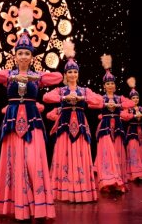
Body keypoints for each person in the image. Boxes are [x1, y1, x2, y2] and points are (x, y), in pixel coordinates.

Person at [0, 6, 62, 224]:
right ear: (14, 55)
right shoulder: (8, 74)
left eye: (27, 53)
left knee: (33, 160)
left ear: (31, 56)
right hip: (12, 122)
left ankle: (38, 208)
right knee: (13, 162)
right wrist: (11, 77)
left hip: (32, 121)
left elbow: (56, 77)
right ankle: (18, 207)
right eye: (19, 53)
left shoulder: (36, 75)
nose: (23, 56)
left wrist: (34, 79)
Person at [43, 40, 102, 203]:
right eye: (70, 72)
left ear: (78, 74)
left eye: (75, 72)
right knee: (65, 154)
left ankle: (82, 189)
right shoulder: (61, 90)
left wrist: (83, 98)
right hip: (64, 127)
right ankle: (64, 190)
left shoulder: (84, 90)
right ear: (65, 75)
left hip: (81, 127)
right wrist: (64, 98)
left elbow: (98, 100)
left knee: (80, 154)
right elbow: (46, 97)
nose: (72, 75)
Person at [94, 54, 134, 193]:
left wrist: (119, 106)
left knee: (117, 153)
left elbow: (130, 103)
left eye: (112, 83)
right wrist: (104, 103)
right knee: (106, 154)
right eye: (107, 83)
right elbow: (93, 104)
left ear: (115, 86)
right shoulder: (101, 98)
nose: (110, 85)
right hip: (105, 128)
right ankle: (107, 181)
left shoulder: (119, 98)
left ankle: (118, 181)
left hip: (117, 128)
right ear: (104, 86)